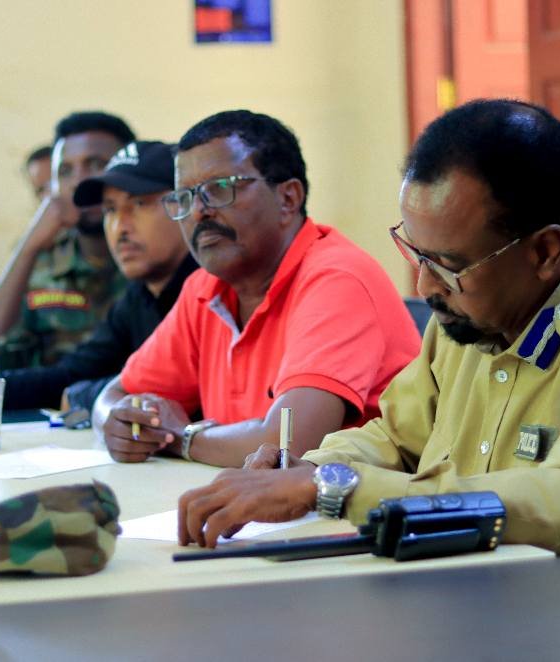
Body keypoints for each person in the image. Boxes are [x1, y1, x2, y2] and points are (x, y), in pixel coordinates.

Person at [176, 99, 560, 555]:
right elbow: (397, 437)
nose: (425, 286)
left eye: (447, 264)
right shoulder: (468, 311)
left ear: (545, 251)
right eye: (416, 253)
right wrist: (306, 469)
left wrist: (334, 490)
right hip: (482, 594)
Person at [93, 110, 421, 468]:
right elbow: (116, 394)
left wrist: (181, 437)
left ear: (288, 198)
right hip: (249, 498)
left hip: (359, 500)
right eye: (185, 197)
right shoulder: (204, 288)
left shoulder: (337, 278)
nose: (198, 211)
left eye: (220, 189)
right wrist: (116, 423)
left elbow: (287, 446)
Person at [2, 141, 197, 412]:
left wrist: (81, 396)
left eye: (139, 203)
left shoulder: (209, 291)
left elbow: (171, 389)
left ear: (185, 205)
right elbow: (71, 374)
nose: (120, 227)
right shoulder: (139, 295)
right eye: (110, 209)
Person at [0, 112, 135, 369]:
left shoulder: (152, 249)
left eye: (96, 164)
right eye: (65, 171)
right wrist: (28, 247)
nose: (78, 181)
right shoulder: (41, 255)